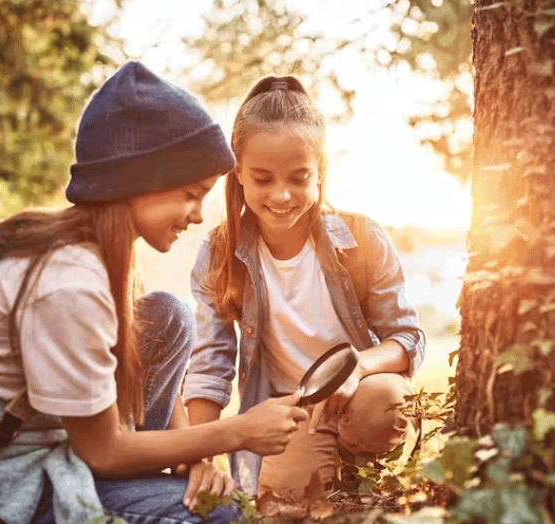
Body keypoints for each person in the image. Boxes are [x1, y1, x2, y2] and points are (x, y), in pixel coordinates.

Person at [0, 62, 308, 524]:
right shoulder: (68, 281)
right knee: (217, 517)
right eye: (189, 194)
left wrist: (195, 459)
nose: (198, 215)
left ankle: (154, 481)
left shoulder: (100, 255)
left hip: (49, 449)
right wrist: (235, 433)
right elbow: (101, 450)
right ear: (138, 181)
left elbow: (130, 387)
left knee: (166, 315)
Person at [182, 75, 425, 502]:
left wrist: (358, 368)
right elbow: (210, 365)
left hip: (363, 395)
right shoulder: (219, 253)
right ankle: (329, 479)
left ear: (320, 173)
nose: (281, 195)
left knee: (379, 408)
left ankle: (364, 473)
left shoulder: (362, 238)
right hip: (291, 412)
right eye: (262, 179)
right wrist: (200, 455)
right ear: (238, 171)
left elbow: (407, 338)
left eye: (298, 178)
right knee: (293, 502)